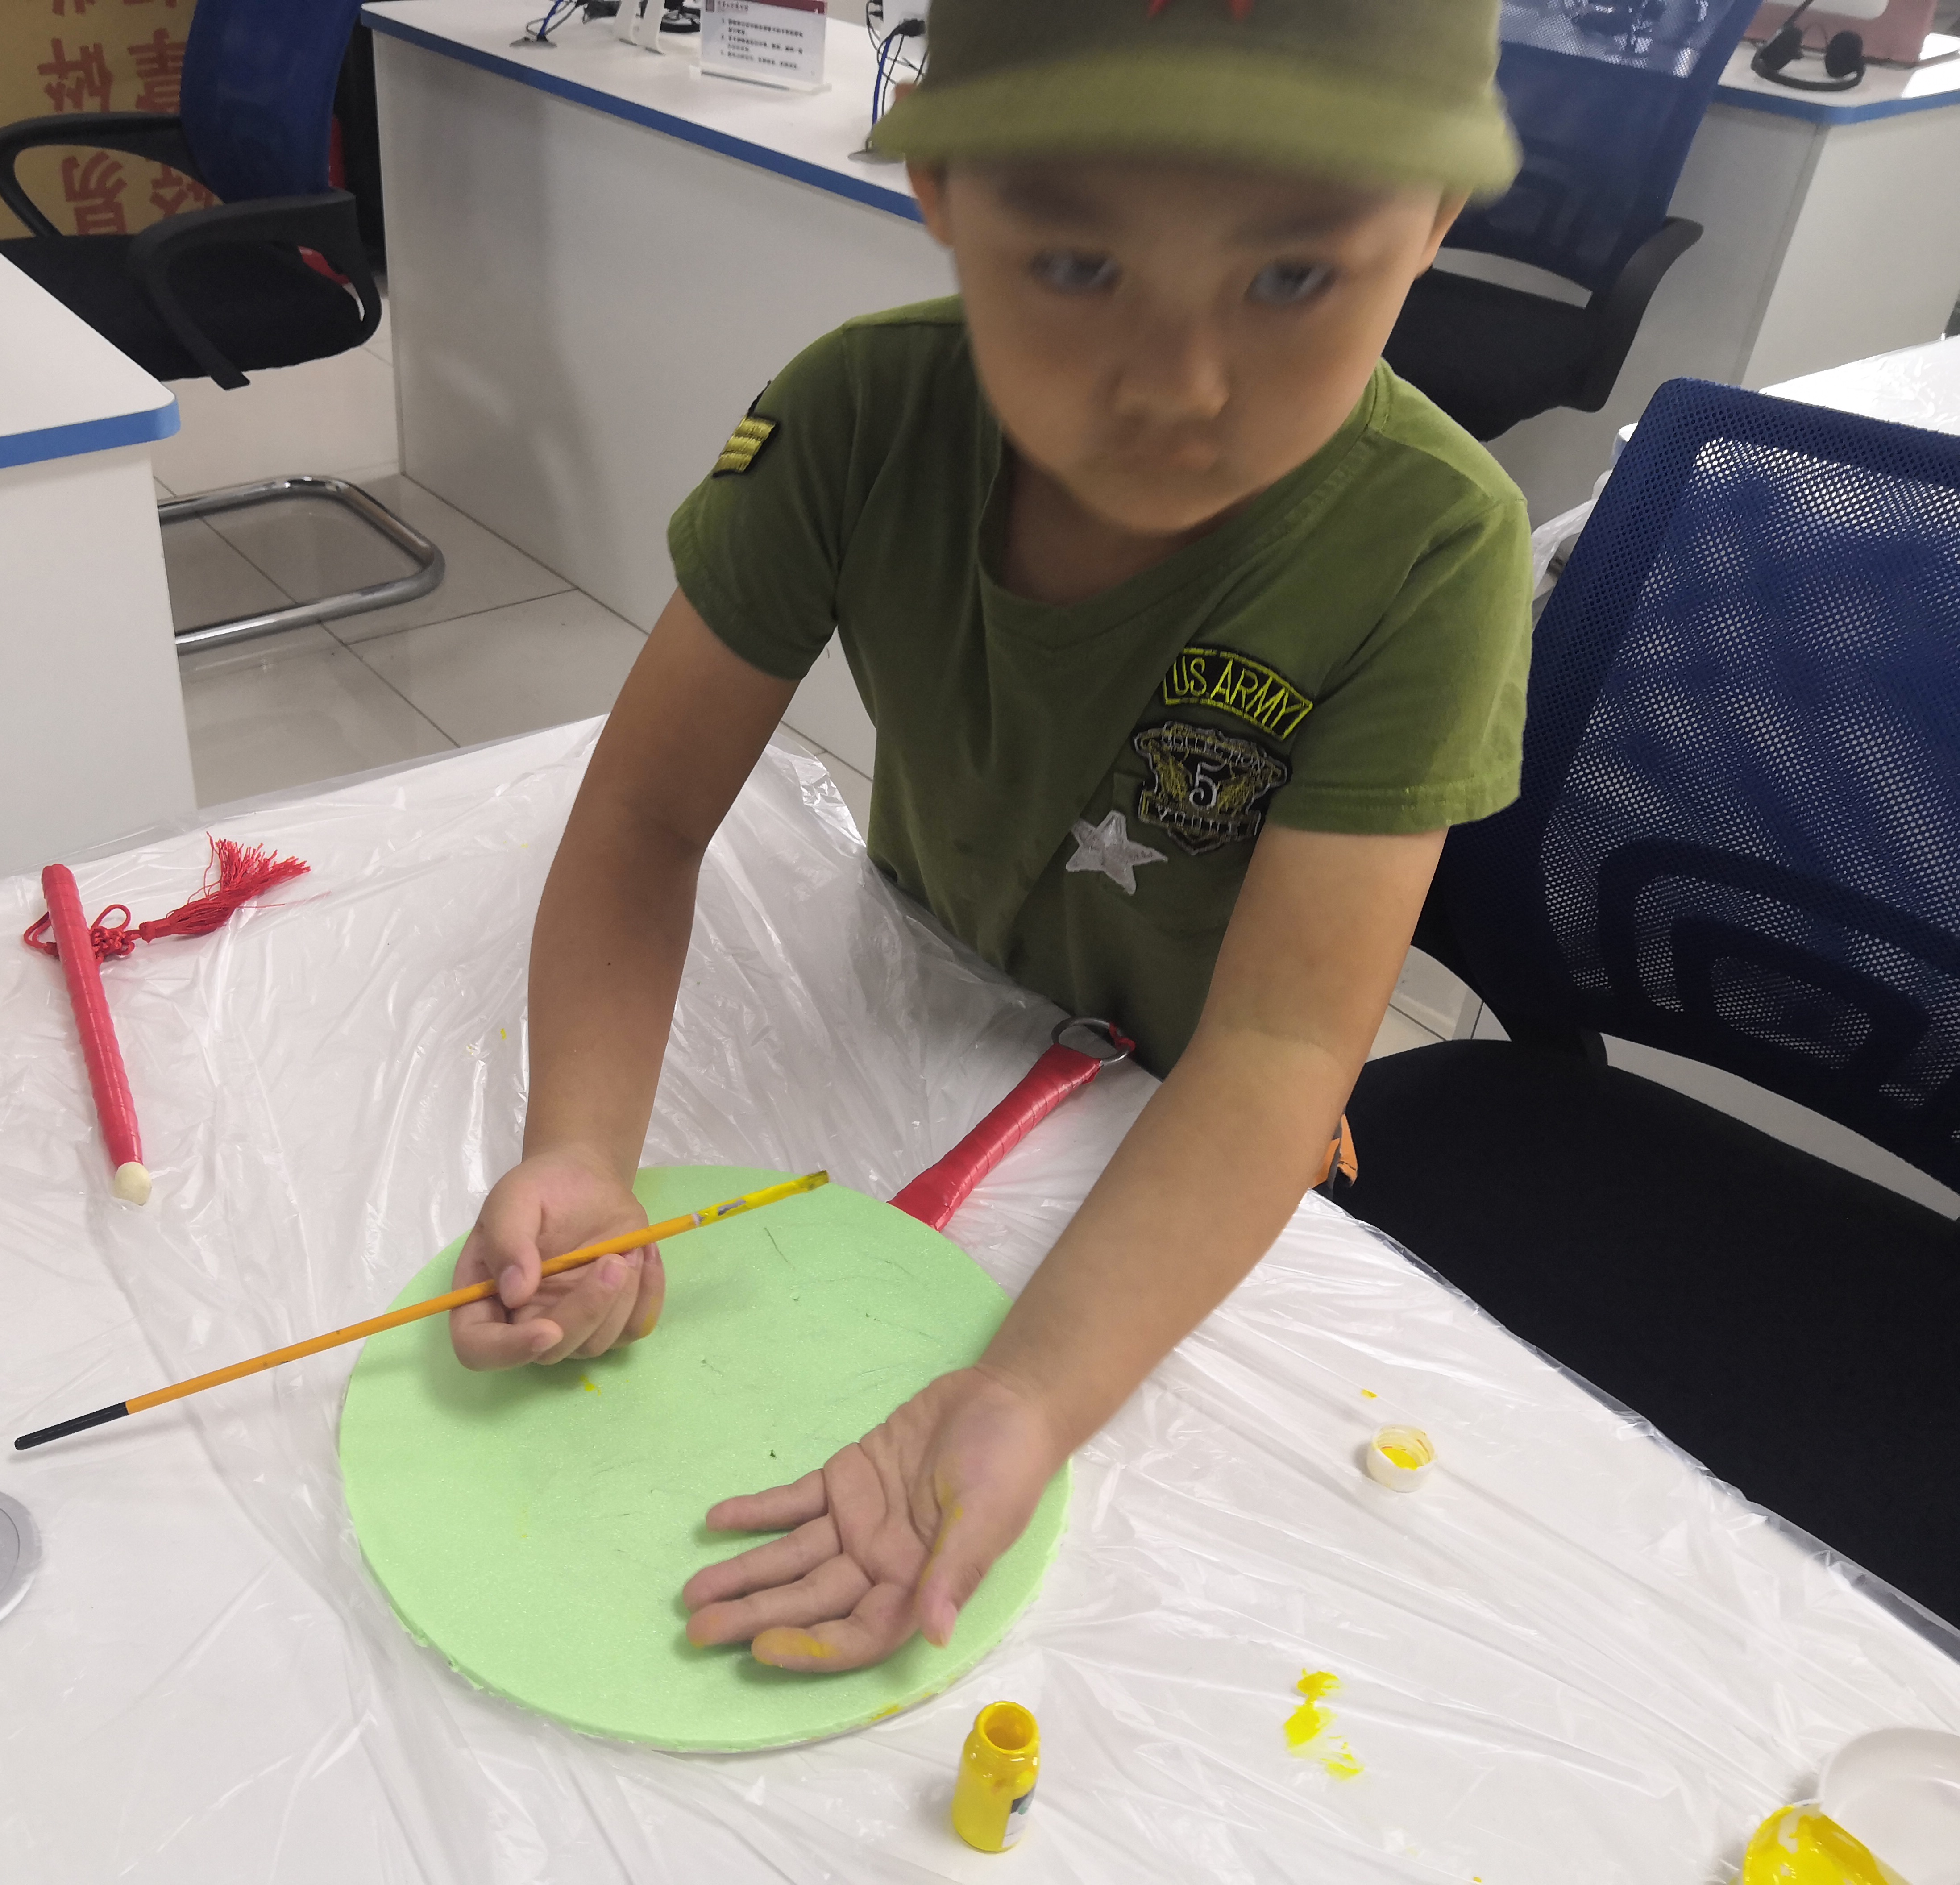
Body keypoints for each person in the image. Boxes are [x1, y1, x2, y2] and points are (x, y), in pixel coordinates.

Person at [447, 0, 1534, 1674]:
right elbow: (648, 817)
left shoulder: (1434, 545)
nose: (1178, 387)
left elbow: (1277, 1046)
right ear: (945, 194)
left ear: (1437, 222)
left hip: (1181, 1124)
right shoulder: (860, 416)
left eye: (1296, 277)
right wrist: (583, 1146)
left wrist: (1026, 1393)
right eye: (1080, 266)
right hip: (916, 998)